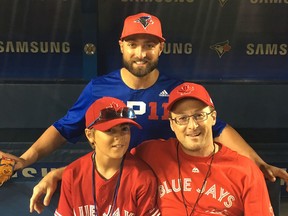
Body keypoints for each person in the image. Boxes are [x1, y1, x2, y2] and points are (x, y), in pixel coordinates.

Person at [0, 12, 286, 214]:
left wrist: (260, 164)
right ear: (122, 45)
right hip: (119, 188)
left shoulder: (177, 94)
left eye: (149, 45)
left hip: (165, 189)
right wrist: (29, 159)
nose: (141, 53)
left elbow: (218, 129)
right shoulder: (99, 88)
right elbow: (65, 128)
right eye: (134, 44)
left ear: (161, 48)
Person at [132, 82, 274, 215]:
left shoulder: (245, 171)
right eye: (182, 118)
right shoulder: (151, 152)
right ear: (171, 124)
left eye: (199, 115)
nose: (192, 125)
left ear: (213, 118)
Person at [54, 96, 160, 216]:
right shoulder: (73, 174)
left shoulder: (142, 177)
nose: (119, 136)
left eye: (124, 129)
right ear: (90, 135)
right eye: (109, 130)